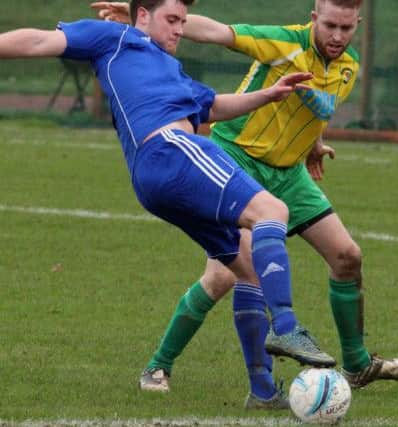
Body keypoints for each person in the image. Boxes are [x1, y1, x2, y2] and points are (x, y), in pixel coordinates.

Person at [0, 0, 322, 411]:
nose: (179, 29)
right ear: (142, 15)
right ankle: (288, 327)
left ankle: (262, 391)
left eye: (183, 22)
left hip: (156, 179)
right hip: (170, 149)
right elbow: (40, 40)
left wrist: (269, 95)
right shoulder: (114, 37)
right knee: (273, 211)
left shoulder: (173, 71)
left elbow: (215, 107)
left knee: (249, 270)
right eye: (172, 20)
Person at [90, 0, 398, 402]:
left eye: (346, 28)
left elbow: (315, 106)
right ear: (314, 18)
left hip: (289, 173)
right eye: (330, 25)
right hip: (237, 159)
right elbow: (220, 32)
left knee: (347, 256)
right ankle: (159, 364)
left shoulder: (347, 66)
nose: (337, 36)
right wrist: (149, 17)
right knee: (226, 274)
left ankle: (356, 364)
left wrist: (313, 144)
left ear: (357, 25)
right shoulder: (284, 43)